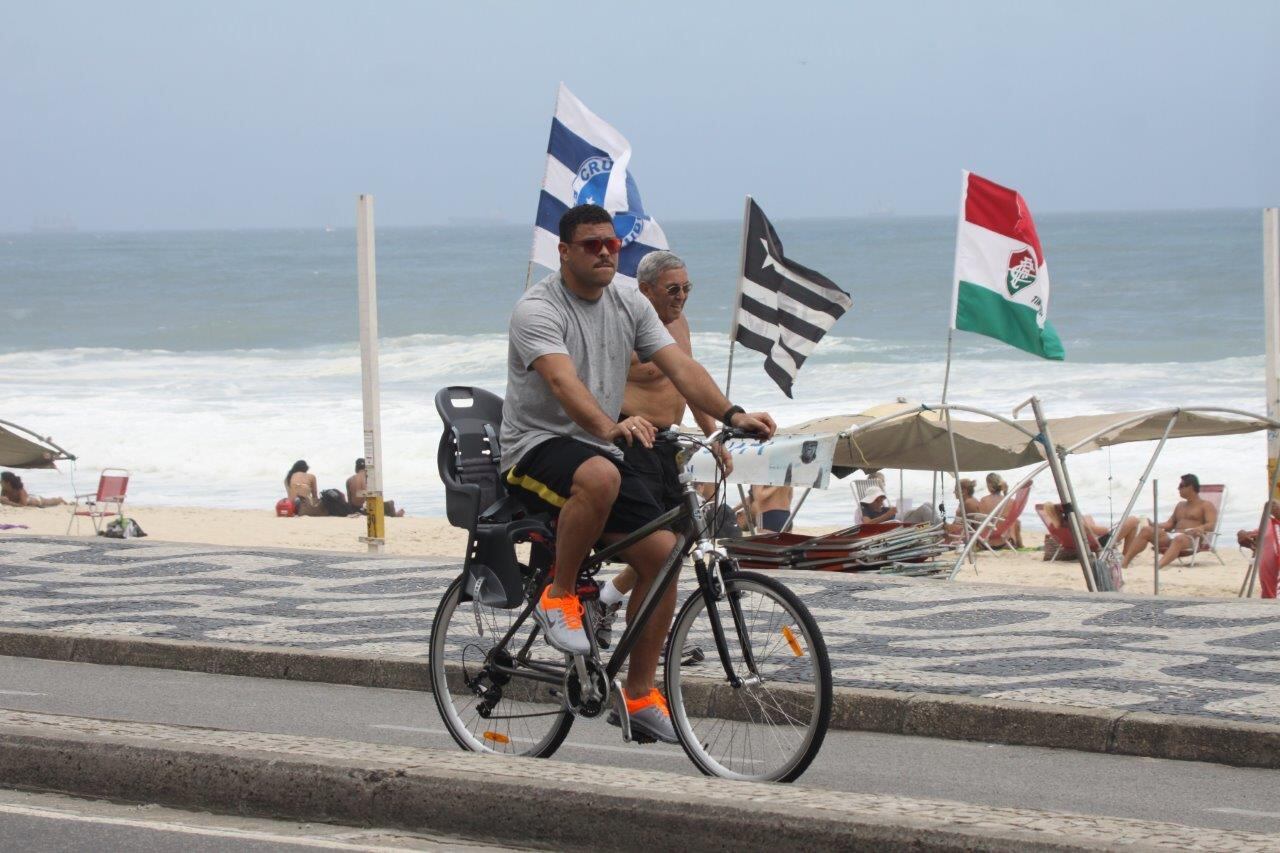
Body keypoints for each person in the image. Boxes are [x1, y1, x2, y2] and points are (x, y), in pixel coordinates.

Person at [499, 204, 775, 744]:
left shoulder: (629, 302)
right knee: (600, 474)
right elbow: (562, 383)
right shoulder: (537, 309)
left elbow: (681, 368)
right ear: (564, 252)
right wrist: (611, 426)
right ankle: (559, 596)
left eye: (612, 243)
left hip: (597, 449)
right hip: (534, 447)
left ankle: (641, 695)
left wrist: (732, 414)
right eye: (591, 244)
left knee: (664, 556)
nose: (605, 252)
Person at [595, 251, 733, 646]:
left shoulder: (679, 323)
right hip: (632, 440)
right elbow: (591, 384)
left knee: (684, 533)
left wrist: (713, 437)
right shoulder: (623, 326)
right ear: (645, 290)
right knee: (657, 546)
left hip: (667, 441)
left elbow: (688, 383)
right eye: (673, 290)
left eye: (687, 288)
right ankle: (650, 638)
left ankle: (608, 597)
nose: (682, 296)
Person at [1121, 473, 1218, 568]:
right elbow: (1169, 524)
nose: (1178, 488)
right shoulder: (1180, 505)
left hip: (1191, 539)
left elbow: (1212, 524)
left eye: (1181, 486)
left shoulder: (1206, 505)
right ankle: (1124, 563)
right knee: (1146, 530)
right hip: (1173, 537)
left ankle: (1158, 566)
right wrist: (1153, 524)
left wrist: (1201, 528)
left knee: (1179, 539)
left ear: (1191, 487)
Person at [1042, 502, 1140, 555]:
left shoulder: (1053, 527)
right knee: (1134, 520)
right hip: (1098, 544)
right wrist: (1086, 524)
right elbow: (1104, 531)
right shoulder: (1073, 524)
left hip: (1079, 546)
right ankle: (1126, 555)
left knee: (1133, 524)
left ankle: (1126, 554)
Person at [977, 473, 1023, 548]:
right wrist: (1006, 494)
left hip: (986, 542)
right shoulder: (1010, 501)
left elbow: (982, 521)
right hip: (1005, 542)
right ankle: (1020, 545)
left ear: (989, 485)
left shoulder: (984, 500)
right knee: (1015, 521)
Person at [859, 485, 938, 525]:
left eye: (882, 498)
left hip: (900, 520)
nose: (881, 501)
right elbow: (867, 524)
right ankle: (940, 529)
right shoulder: (866, 509)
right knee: (923, 509)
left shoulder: (884, 509)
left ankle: (939, 527)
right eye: (877, 499)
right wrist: (887, 515)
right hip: (898, 527)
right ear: (870, 501)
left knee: (928, 504)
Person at [0, 471, 67, 507]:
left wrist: (7, 502)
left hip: (35, 500)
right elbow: (4, 501)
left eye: (1, 480)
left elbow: (23, 505)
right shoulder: (4, 490)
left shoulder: (20, 490)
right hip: (27, 500)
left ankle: (60, 499)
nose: (0, 482)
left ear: (7, 482)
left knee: (49, 502)